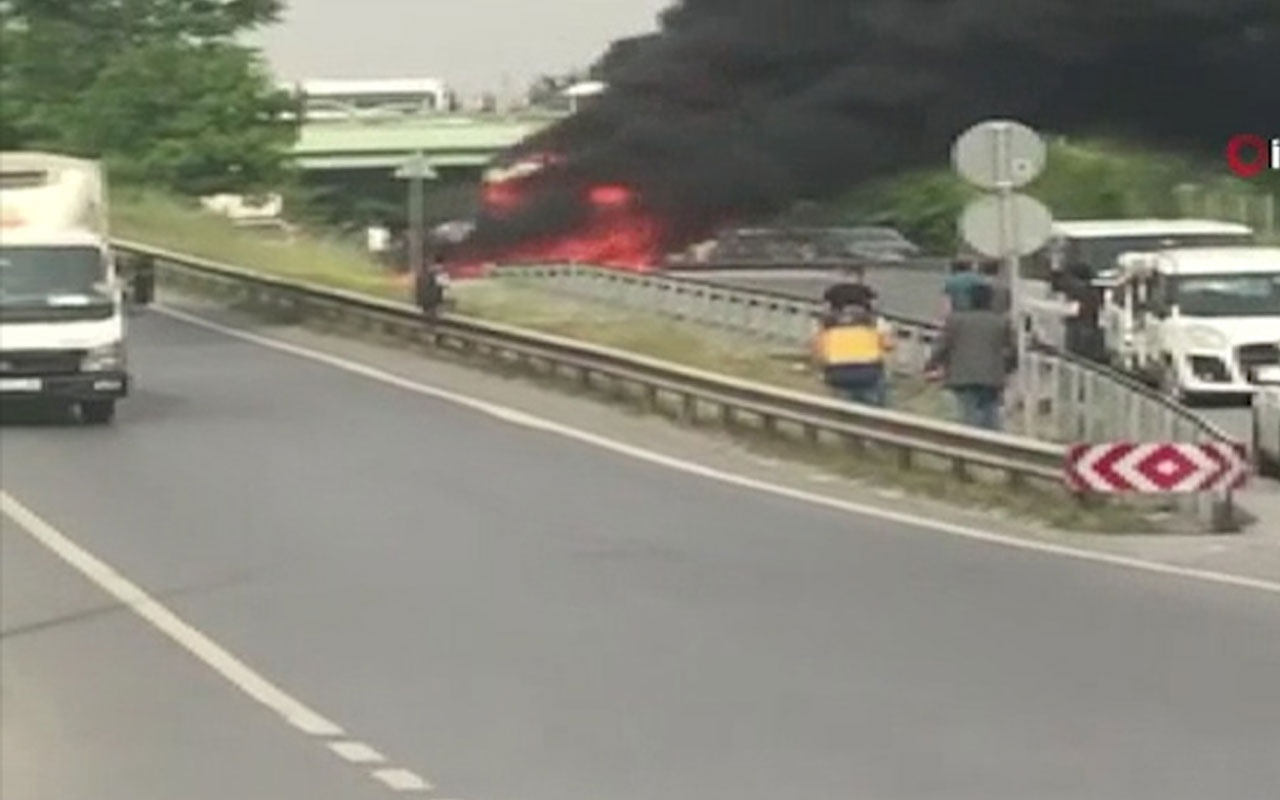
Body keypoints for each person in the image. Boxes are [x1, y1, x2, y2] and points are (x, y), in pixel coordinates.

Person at [924, 282, 1016, 430]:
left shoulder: (955, 320)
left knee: (968, 414)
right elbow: (1011, 351)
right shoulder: (1001, 322)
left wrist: (930, 365)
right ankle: (990, 445)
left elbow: (942, 346)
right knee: (990, 414)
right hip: (992, 378)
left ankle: (971, 444)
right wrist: (1007, 370)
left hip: (963, 377)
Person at [812, 302, 893, 406]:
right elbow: (889, 346)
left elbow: (818, 354)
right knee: (880, 381)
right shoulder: (872, 330)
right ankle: (879, 408)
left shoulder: (830, 332)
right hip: (868, 372)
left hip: (837, 373)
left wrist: (822, 372)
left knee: (841, 389)